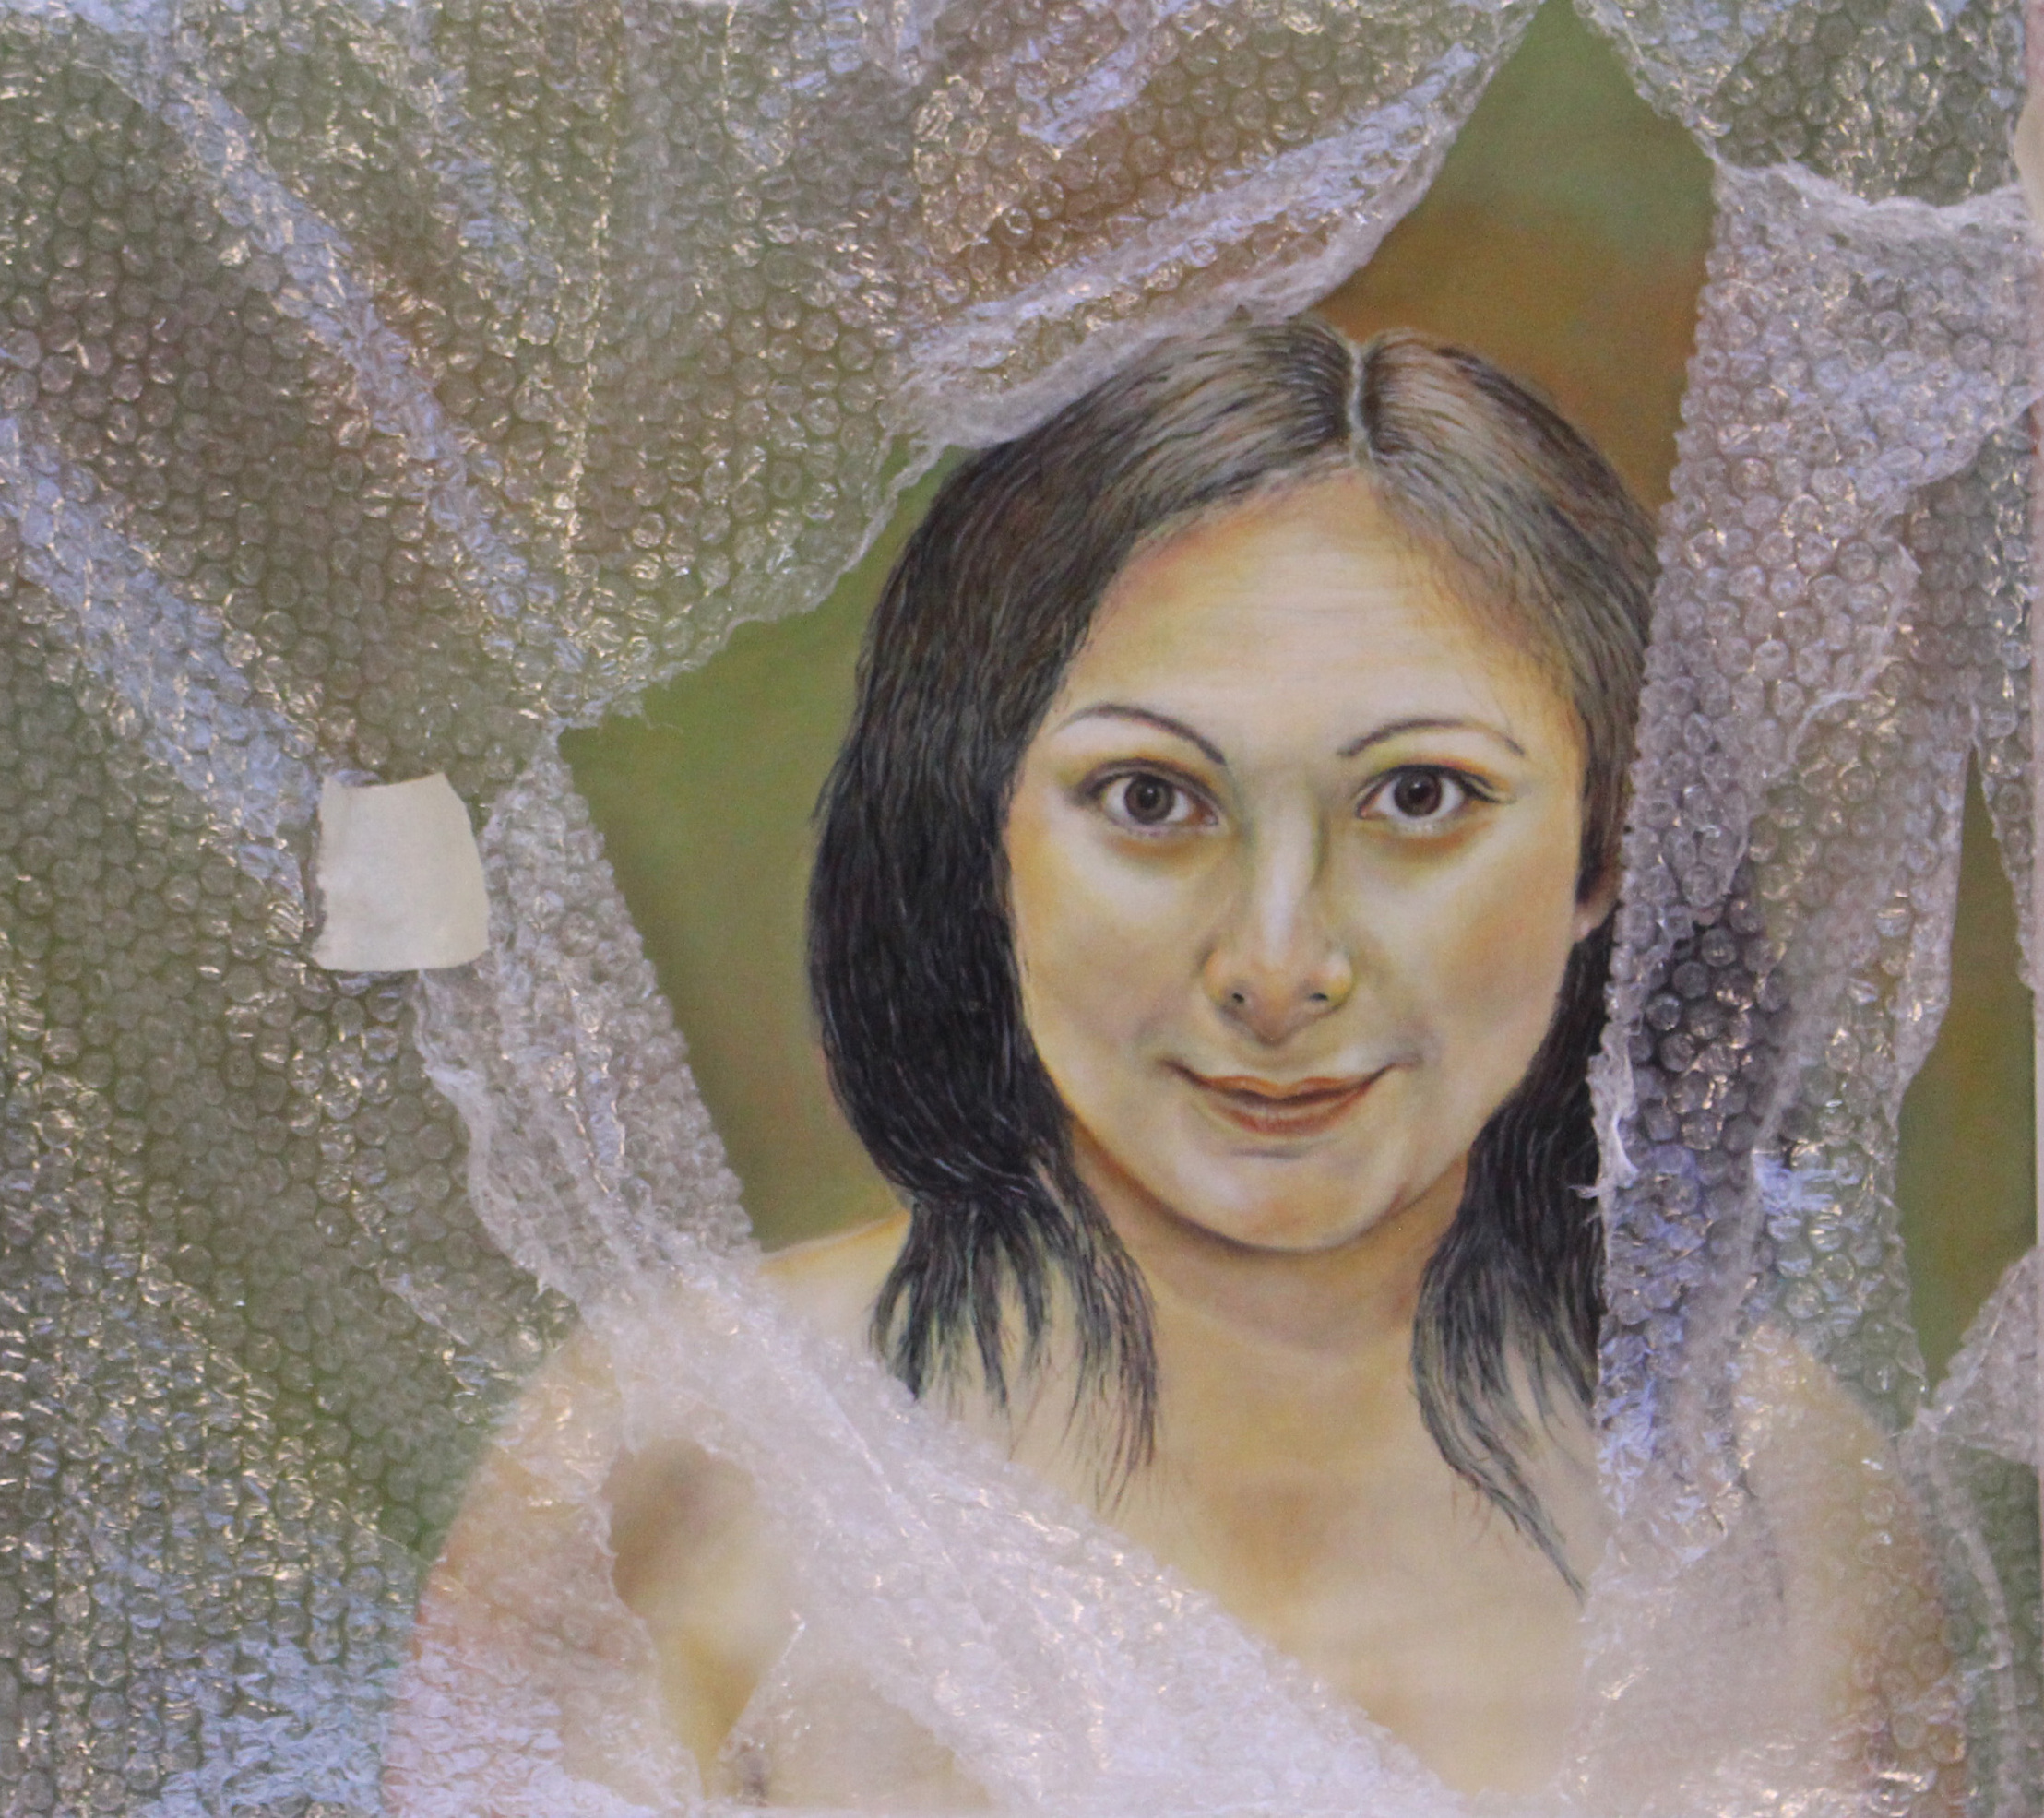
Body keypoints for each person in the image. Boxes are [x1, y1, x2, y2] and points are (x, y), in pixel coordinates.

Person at [391, 315, 1953, 1814]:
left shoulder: (1770, 1492)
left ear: (1607, 853)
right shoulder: (687, 1450)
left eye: (1421, 798)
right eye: (1150, 800)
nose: (1277, 966)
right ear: (981, 838)